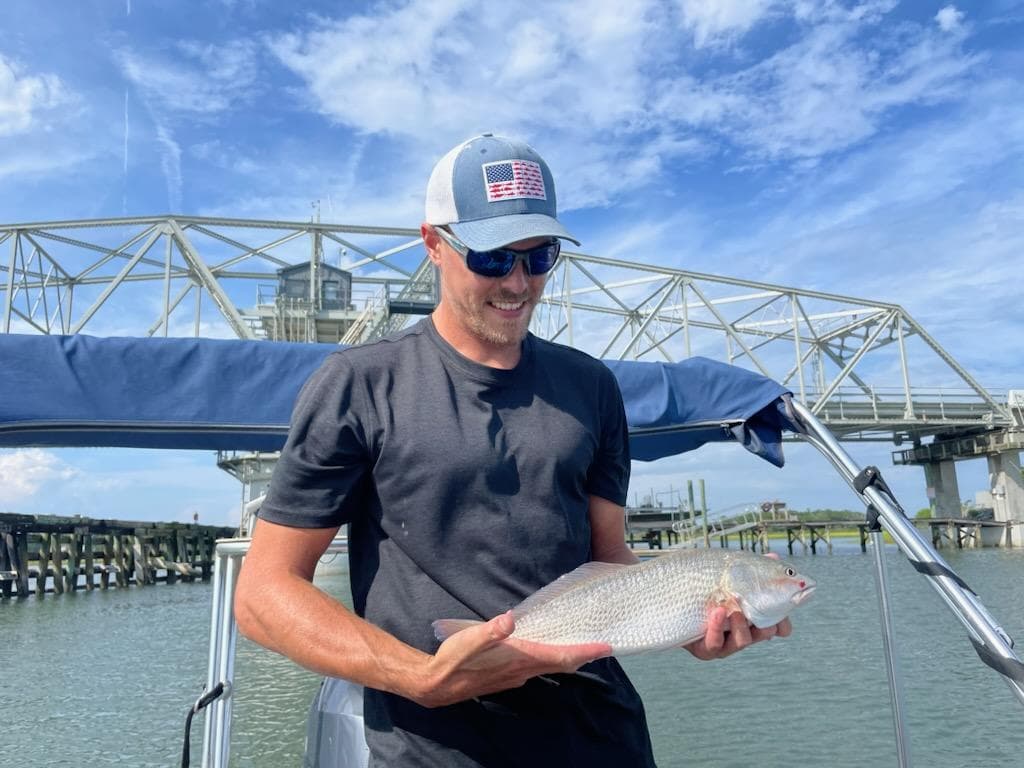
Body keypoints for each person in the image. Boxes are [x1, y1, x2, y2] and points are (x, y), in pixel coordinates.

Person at [234, 133, 791, 767]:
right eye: (494, 258)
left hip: (602, 740)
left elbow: (609, 561)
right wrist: (421, 678)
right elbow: (263, 594)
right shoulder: (359, 383)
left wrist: (690, 622)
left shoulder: (592, 387)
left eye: (540, 256)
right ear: (434, 244)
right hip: (439, 749)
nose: (519, 282)